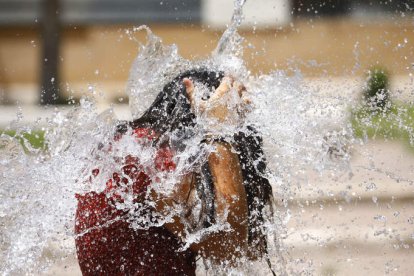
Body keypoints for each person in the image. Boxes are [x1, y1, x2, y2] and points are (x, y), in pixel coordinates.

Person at [74, 70, 274, 275]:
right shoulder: (161, 159)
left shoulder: (129, 143)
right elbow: (232, 249)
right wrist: (218, 131)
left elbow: (252, 249)